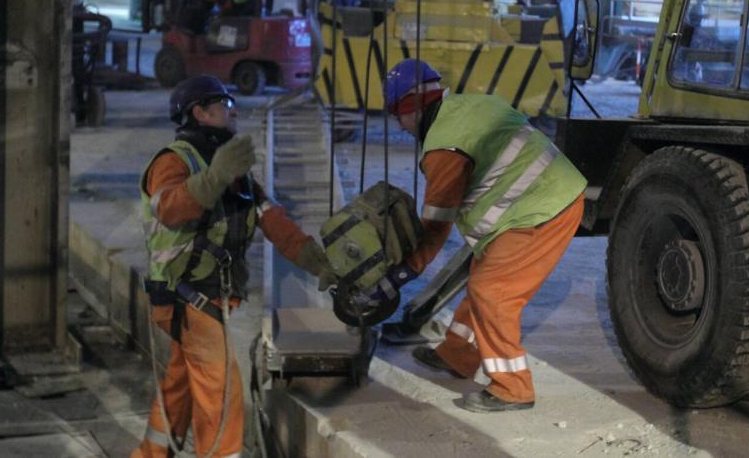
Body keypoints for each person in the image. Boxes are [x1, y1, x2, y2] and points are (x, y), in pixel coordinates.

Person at [132, 75, 336, 458]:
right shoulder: (173, 161)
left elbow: (272, 219)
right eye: (224, 105)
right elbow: (171, 209)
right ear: (200, 112)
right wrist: (214, 177)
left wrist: (317, 261)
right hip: (186, 295)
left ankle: (150, 453)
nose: (233, 111)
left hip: (205, 294)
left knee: (180, 381)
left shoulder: (233, 169)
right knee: (222, 392)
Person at [368, 59, 587, 413]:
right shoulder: (469, 106)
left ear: (412, 107)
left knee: (493, 292)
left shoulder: (443, 148)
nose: (399, 125)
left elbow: (436, 227)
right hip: (536, 200)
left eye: (398, 115)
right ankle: (457, 354)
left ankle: (512, 387)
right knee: (483, 278)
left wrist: (401, 274)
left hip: (544, 209)